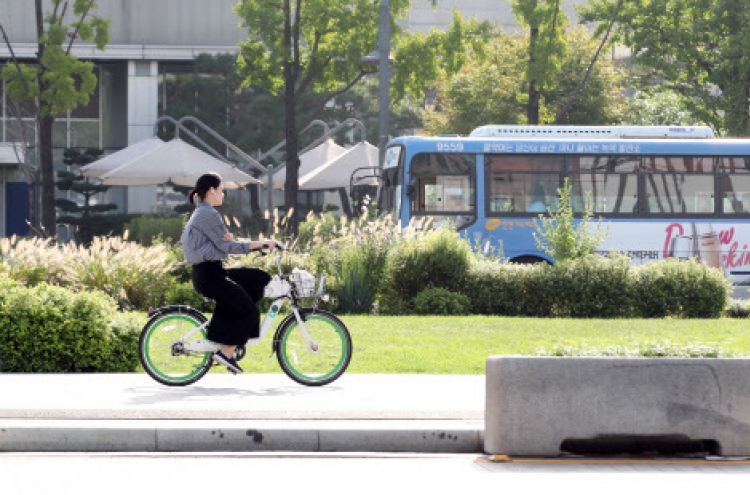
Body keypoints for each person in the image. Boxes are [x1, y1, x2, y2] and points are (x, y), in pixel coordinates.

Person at [181, 172, 277, 374]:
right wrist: (261, 243)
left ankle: (228, 336)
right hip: (209, 276)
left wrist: (228, 243)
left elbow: (221, 245)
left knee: (256, 278)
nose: (224, 194)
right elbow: (228, 247)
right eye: (222, 190)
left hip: (211, 272)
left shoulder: (203, 212)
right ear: (212, 190)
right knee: (249, 310)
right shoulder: (208, 214)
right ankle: (226, 352)